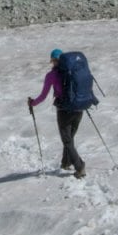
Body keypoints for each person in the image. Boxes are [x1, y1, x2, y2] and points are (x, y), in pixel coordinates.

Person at [28, 48, 86, 178]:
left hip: (64, 110)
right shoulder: (74, 71)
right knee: (70, 138)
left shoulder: (52, 76)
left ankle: (79, 166)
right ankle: (66, 162)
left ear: (54, 61)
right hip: (79, 107)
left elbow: (43, 96)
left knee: (67, 140)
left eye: (52, 61)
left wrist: (33, 103)